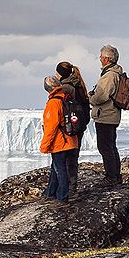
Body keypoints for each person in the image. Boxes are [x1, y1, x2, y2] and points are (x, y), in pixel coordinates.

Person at [40, 76, 79, 203]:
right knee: (55, 167)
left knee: (60, 168)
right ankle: (51, 192)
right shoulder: (64, 97)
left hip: (60, 142)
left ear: (49, 87)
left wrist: (44, 146)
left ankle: (62, 196)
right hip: (70, 140)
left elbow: (51, 127)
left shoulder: (53, 102)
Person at [89, 44, 123, 185]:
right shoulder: (114, 73)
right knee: (110, 146)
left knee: (105, 147)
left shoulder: (109, 75)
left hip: (106, 115)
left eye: (101, 56)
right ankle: (115, 175)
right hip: (111, 115)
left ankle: (111, 177)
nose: (100, 58)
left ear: (107, 59)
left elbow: (102, 96)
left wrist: (91, 98)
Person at [55, 61, 90, 199]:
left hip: (69, 128)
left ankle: (68, 189)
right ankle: (72, 187)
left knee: (66, 158)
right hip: (78, 126)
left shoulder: (66, 87)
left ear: (60, 73)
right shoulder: (79, 84)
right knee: (73, 157)